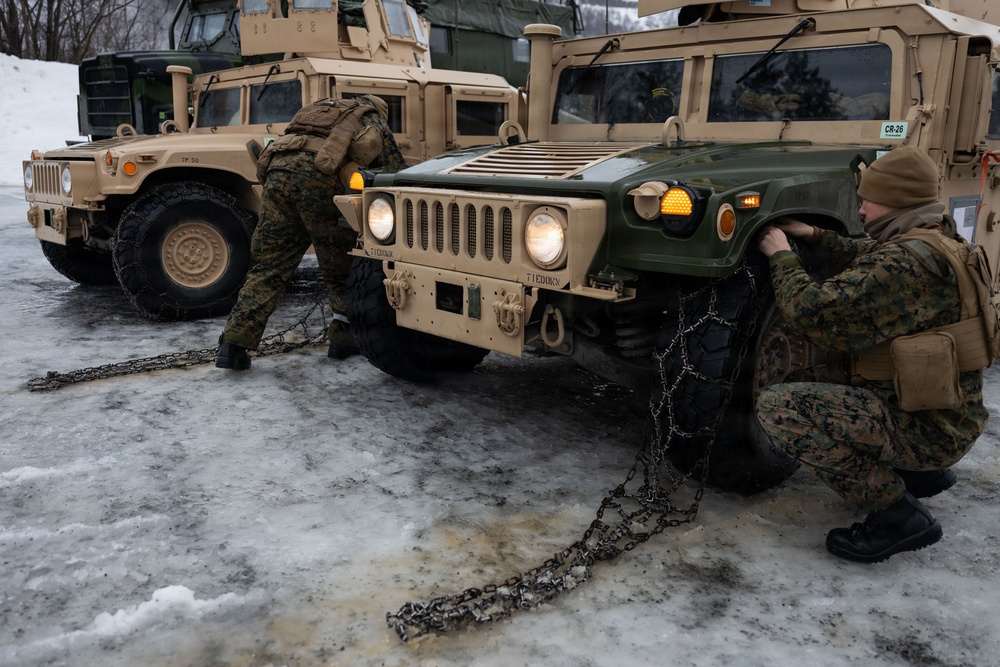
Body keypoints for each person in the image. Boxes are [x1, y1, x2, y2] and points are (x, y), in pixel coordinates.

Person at [755, 146, 990, 563]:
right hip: (948, 413)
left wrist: (782, 255)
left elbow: (813, 313)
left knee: (780, 405)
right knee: (825, 374)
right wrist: (813, 235)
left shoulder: (905, 263)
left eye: (867, 200)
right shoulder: (938, 239)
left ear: (896, 201)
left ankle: (897, 515)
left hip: (929, 429)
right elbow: (871, 259)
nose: (860, 210)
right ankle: (919, 473)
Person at [216, 95, 406, 370]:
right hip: (320, 176)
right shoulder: (371, 117)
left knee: (268, 266)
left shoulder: (319, 112)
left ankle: (233, 343)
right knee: (340, 262)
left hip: (278, 174)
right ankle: (343, 338)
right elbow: (394, 168)